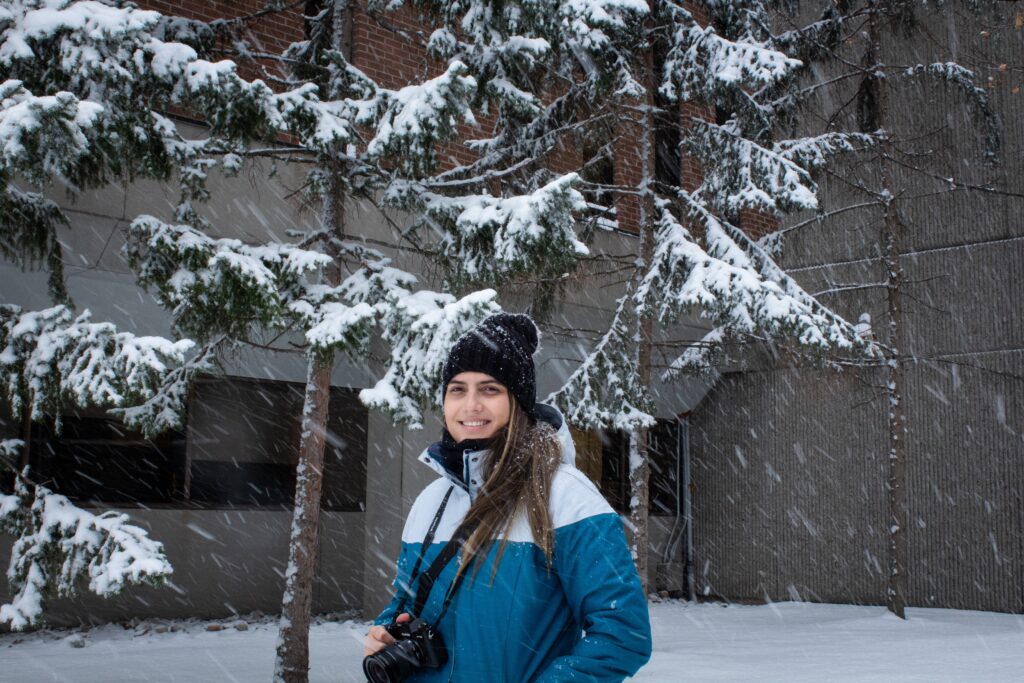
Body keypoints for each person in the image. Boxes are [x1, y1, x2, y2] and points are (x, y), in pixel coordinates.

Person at [363, 313, 652, 682]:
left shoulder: (565, 496)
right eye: (457, 389)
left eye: (489, 389)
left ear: (518, 401)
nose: (470, 405)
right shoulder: (431, 500)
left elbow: (624, 635)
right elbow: (404, 604)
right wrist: (385, 631)